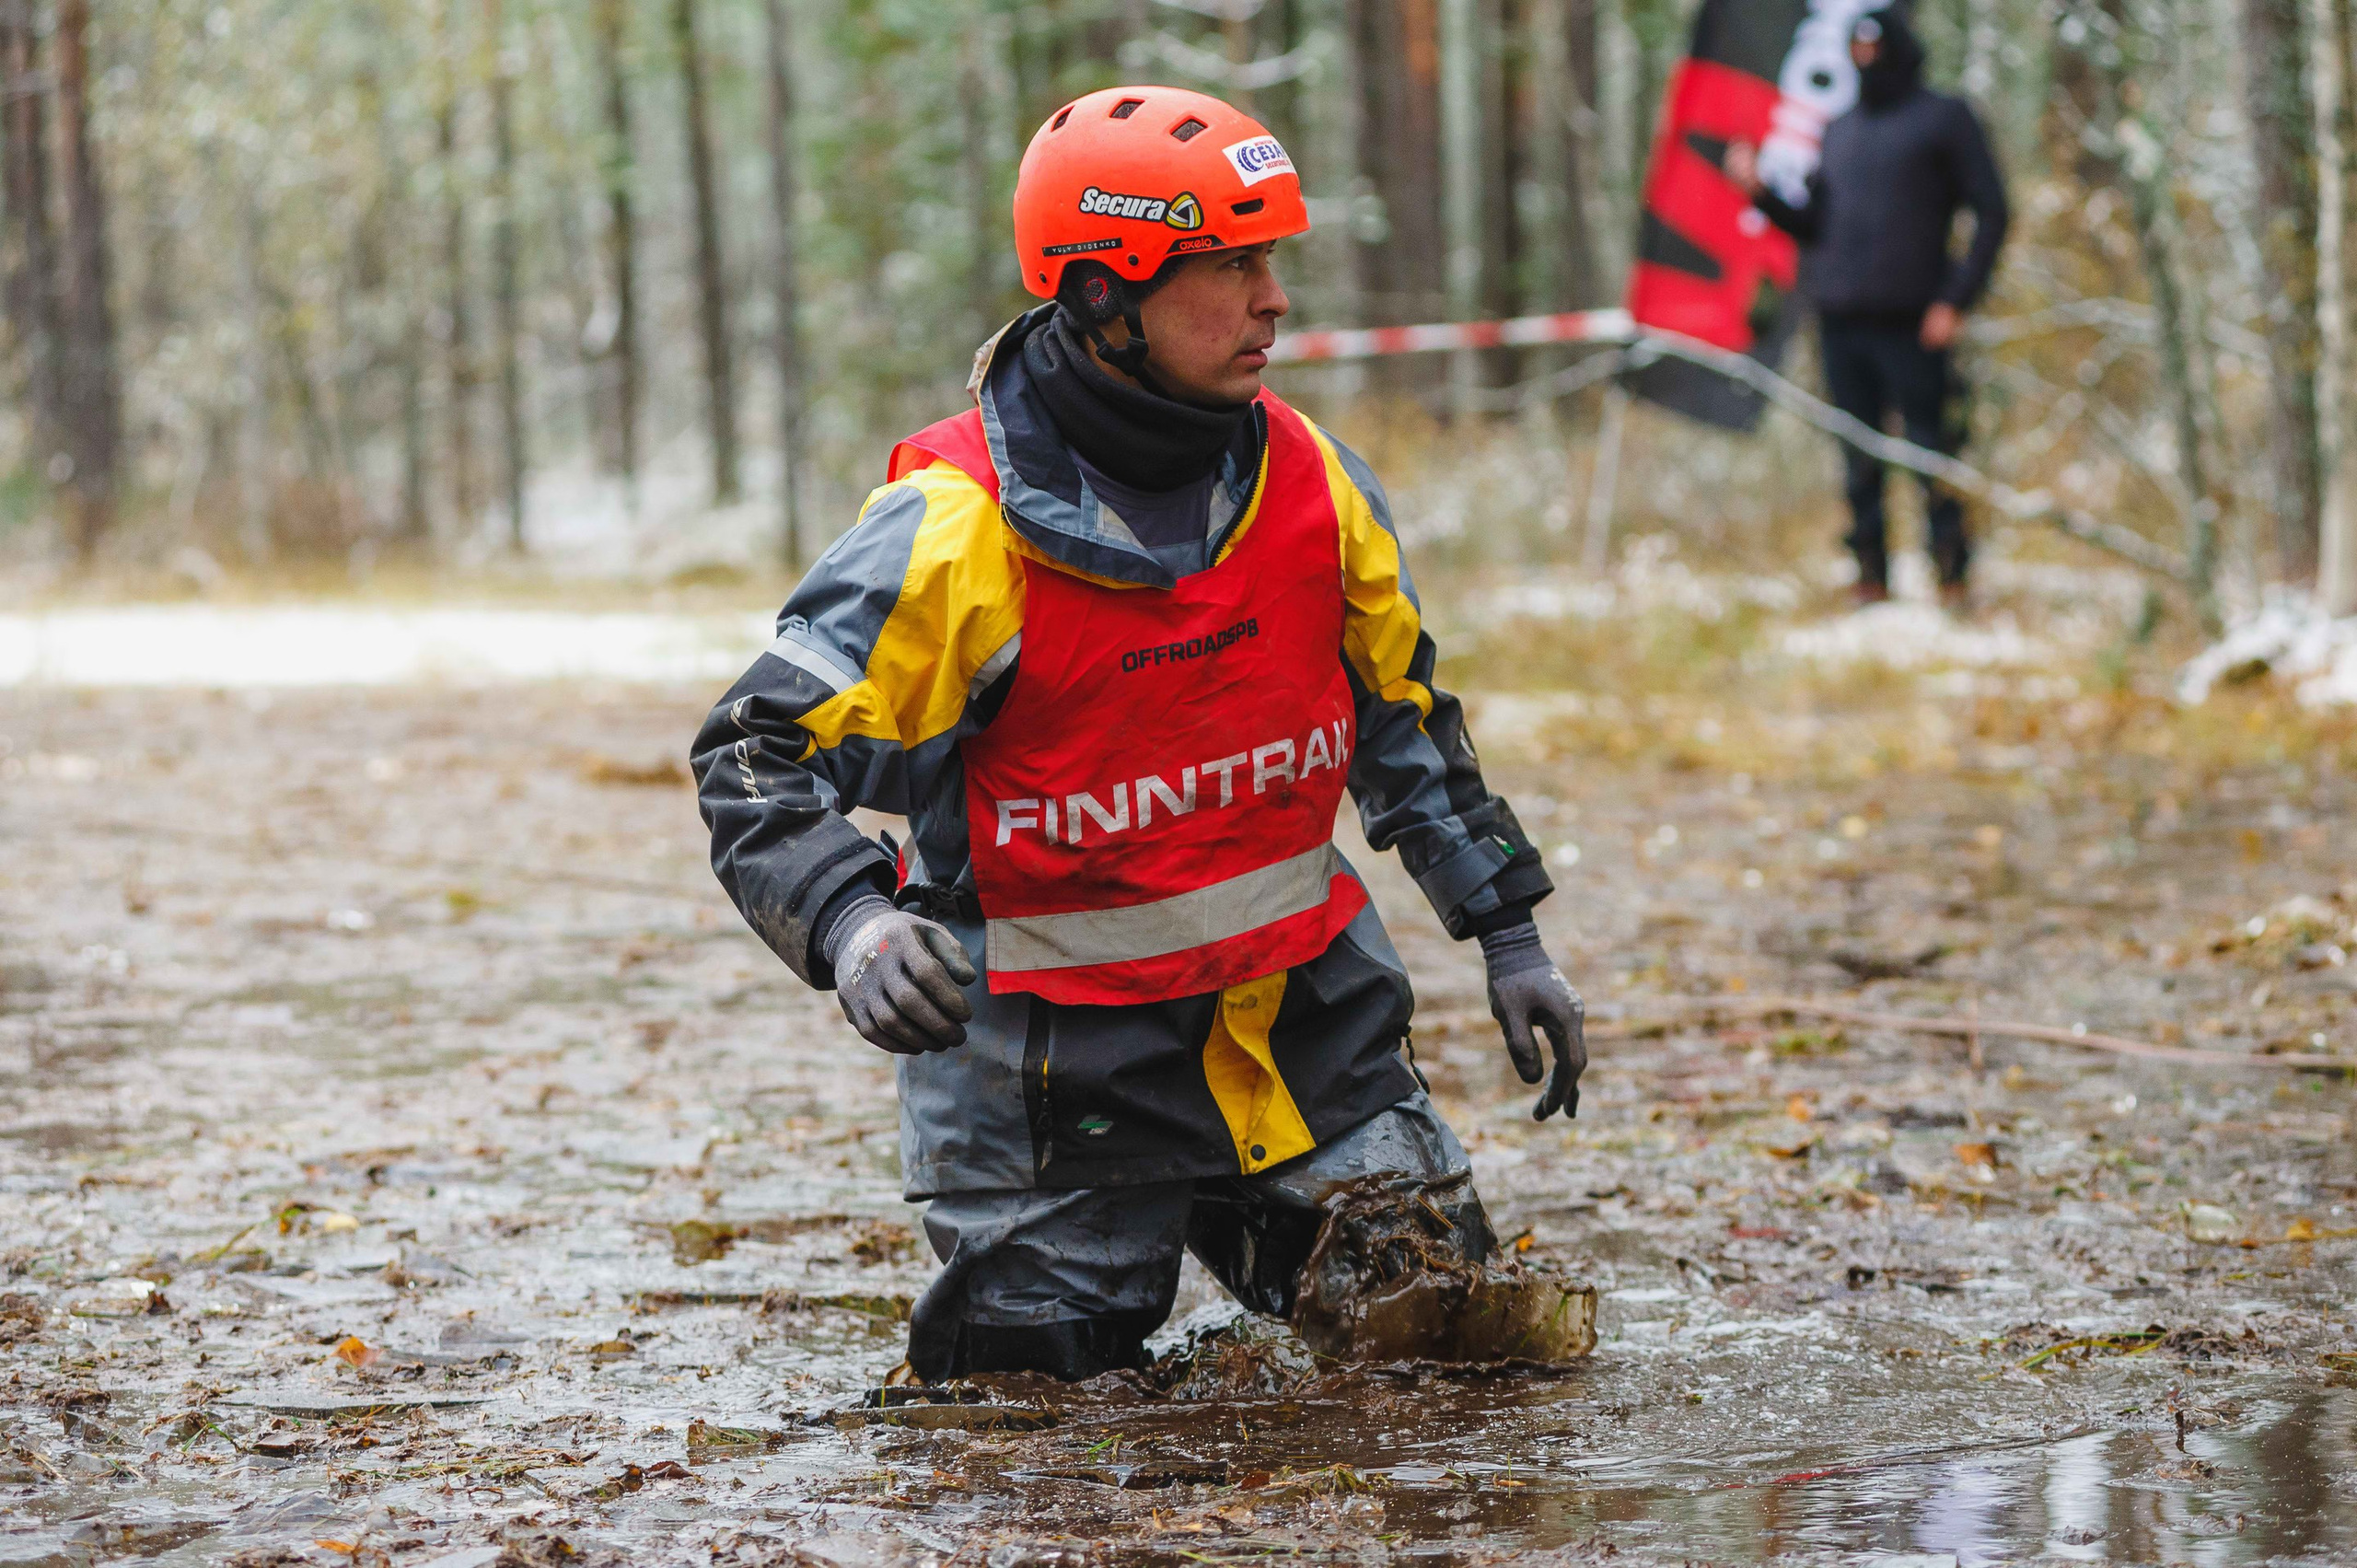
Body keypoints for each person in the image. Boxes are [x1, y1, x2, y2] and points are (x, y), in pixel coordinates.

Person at [691, 86, 1586, 1384]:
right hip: (1052, 1088)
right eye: (1231, 263)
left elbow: (1406, 720)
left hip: (1302, 1042)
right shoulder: (953, 527)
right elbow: (750, 751)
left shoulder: (1316, 483)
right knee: (1028, 1442)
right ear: (1106, 291)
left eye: (1273, 258)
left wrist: (1508, 931)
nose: (1274, 299)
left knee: (1464, 1363)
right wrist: (854, 923)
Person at [1724, 6, 2009, 608]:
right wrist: (1760, 191)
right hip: (1842, 322)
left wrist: (1955, 300)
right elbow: (1816, 223)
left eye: (1874, 46)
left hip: (1916, 324)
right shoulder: (1841, 128)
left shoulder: (1945, 118)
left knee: (1933, 452)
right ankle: (1870, 580)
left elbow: (1994, 212)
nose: (1864, 57)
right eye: (1855, 47)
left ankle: (1953, 578)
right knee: (1857, 460)